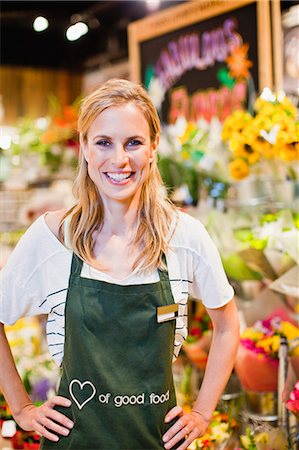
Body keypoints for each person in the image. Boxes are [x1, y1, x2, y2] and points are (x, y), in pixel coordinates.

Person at [0, 78, 240, 450]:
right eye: (103, 143)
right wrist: (22, 408)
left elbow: (227, 325)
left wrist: (203, 412)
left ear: (153, 147)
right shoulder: (52, 238)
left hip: (156, 440)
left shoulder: (185, 236)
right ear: (84, 148)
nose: (119, 160)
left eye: (133, 142)